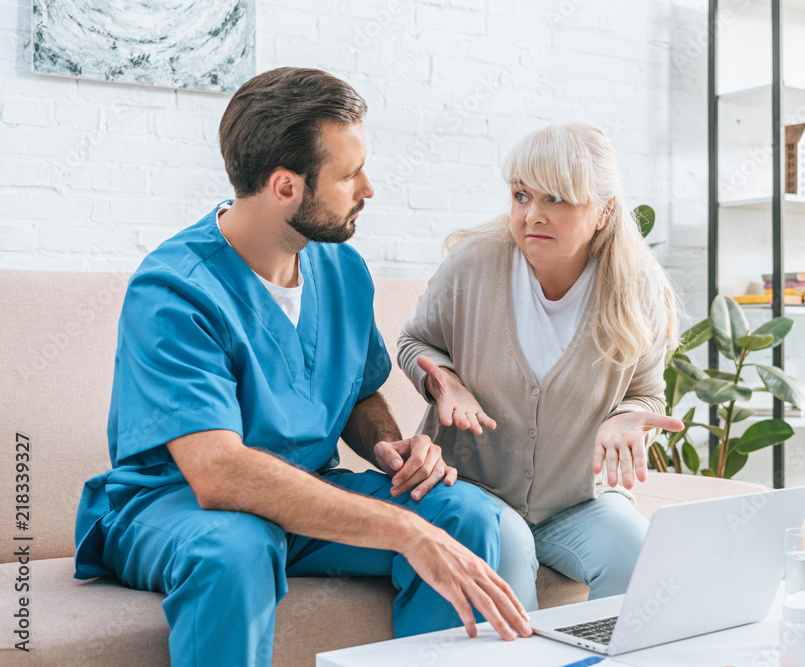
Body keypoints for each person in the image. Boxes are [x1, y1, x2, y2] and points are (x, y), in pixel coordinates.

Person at [72, 67, 530, 666]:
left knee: (460, 513)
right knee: (236, 546)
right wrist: (402, 530)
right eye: (348, 175)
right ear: (285, 186)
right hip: (176, 506)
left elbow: (357, 392)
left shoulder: (343, 270)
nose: (368, 188)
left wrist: (392, 449)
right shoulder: (173, 291)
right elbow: (217, 475)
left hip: (309, 494)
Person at [397, 121, 686, 611]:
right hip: (476, 494)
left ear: (604, 211)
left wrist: (627, 419)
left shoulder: (636, 287)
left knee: (643, 556)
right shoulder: (474, 265)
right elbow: (415, 341)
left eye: (556, 199)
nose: (532, 215)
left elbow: (646, 394)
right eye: (521, 195)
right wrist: (445, 384)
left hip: (577, 501)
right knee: (507, 552)